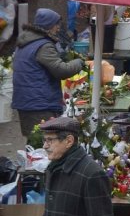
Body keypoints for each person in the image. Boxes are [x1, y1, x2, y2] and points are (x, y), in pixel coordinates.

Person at [29, 117, 113, 216]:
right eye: (44, 140)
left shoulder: (91, 174)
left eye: (50, 140)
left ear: (69, 141)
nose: (45, 146)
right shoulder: (53, 169)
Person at [11, 9, 84, 139]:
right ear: (49, 25)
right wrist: (79, 62)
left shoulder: (25, 42)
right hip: (39, 103)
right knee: (44, 143)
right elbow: (61, 70)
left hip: (26, 101)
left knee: (34, 143)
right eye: (56, 25)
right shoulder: (43, 46)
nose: (58, 28)